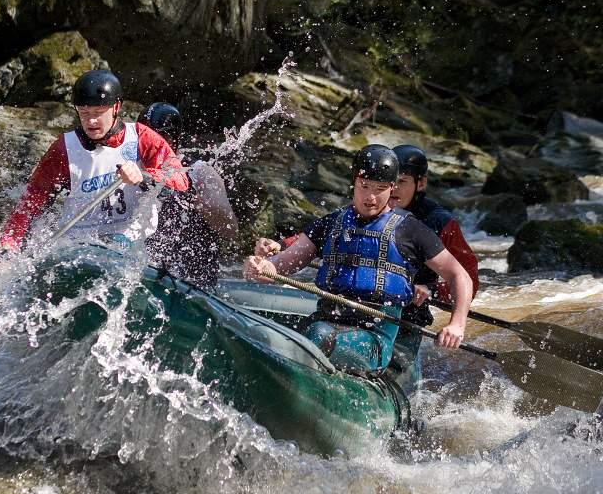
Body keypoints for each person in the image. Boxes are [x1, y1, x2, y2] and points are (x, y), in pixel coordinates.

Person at [244, 145, 473, 373]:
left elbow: (460, 275)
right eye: (364, 186)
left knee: (318, 335)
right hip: (325, 320)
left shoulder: (412, 230)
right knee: (266, 326)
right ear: (354, 182)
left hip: (376, 337)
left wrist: (457, 324)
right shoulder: (331, 223)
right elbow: (283, 263)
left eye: (381, 188)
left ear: (391, 189)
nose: (371, 197)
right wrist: (262, 267)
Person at [0, 70, 189, 250]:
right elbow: (33, 199)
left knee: (123, 244)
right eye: (84, 112)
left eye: (98, 112)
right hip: (78, 246)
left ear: (116, 107)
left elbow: (180, 180)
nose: (91, 121)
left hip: (129, 241)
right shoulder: (64, 149)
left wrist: (146, 175)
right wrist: (9, 242)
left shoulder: (143, 137)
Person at [389, 145, 479, 355]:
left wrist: (433, 291)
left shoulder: (440, 222)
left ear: (421, 183)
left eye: (402, 182)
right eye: (390, 181)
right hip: (364, 303)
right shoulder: (370, 205)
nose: (393, 189)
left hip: (407, 314)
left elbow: (468, 277)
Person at [139, 102, 238, 288]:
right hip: (146, 272)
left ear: (175, 139)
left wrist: (207, 209)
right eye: (146, 136)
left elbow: (231, 229)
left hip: (192, 282)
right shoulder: (133, 169)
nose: (152, 143)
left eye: (161, 137)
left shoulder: (199, 172)